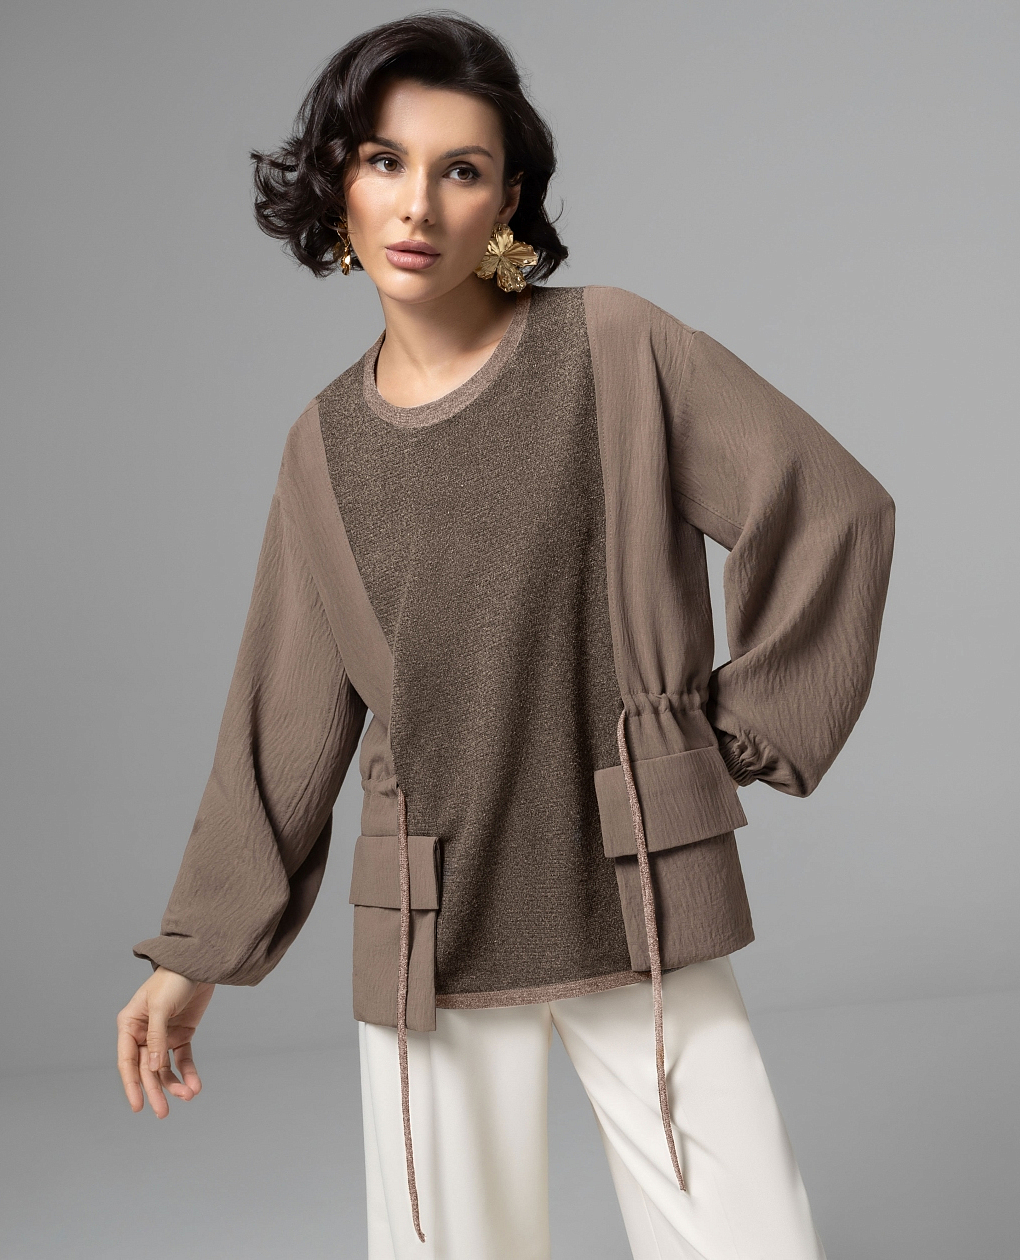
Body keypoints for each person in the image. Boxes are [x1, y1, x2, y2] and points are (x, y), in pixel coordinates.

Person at [115, 12, 895, 1259]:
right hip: (431, 923)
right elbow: (283, 718)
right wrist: (194, 953)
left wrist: (727, 739)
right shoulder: (322, 448)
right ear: (339, 181)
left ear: (509, 200)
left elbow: (832, 511)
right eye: (384, 160)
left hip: (638, 890)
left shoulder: (615, 348)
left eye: (461, 170)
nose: (417, 204)